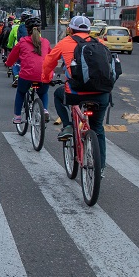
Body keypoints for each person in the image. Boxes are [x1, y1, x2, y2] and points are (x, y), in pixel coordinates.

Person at [42, 15, 112, 173]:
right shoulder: (99, 43)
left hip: (76, 92)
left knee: (59, 96)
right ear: (89, 29)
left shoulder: (64, 42)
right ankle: (100, 168)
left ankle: (67, 126)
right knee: (97, 127)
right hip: (102, 93)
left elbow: (48, 63)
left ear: (71, 29)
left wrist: (45, 79)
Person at [5, 16, 51, 124]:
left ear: (27, 29)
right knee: (43, 93)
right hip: (43, 75)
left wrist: (8, 64)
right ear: (39, 30)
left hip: (27, 75)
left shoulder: (22, 42)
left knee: (21, 92)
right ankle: (44, 110)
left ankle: (17, 117)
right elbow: (51, 56)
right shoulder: (45, 42)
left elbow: (12, 57)